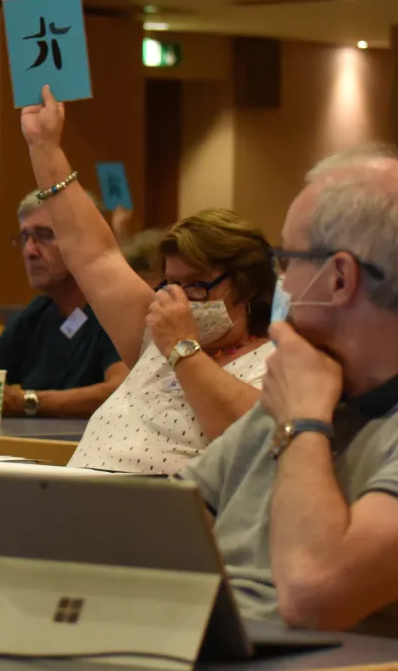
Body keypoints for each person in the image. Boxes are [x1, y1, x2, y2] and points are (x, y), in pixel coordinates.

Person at [0, 146, 398, 637]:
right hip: (175, 630)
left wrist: (306, 423)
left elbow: (312, 594)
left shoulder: (323, 405)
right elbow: (152, 535)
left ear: (339, 278)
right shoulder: (305, 386)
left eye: (288, 260)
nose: (282, 283)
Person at [23, 86, 275, 473]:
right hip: (73, 503)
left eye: (195, 285)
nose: (176, 300)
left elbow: (253, 442)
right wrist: (45, 147)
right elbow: (94, 255)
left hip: (157, 521)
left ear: (247, 287)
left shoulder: (275, 364)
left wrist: (183, 348)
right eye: (170, 283)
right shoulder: (153, 339)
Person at [0, 194, 127, 419]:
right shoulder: (38, 313)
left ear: (85, 241)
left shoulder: (116, 308)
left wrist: (29, 401)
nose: (29, 252)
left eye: (44, 235)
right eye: (25, 237)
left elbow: (121, 390)